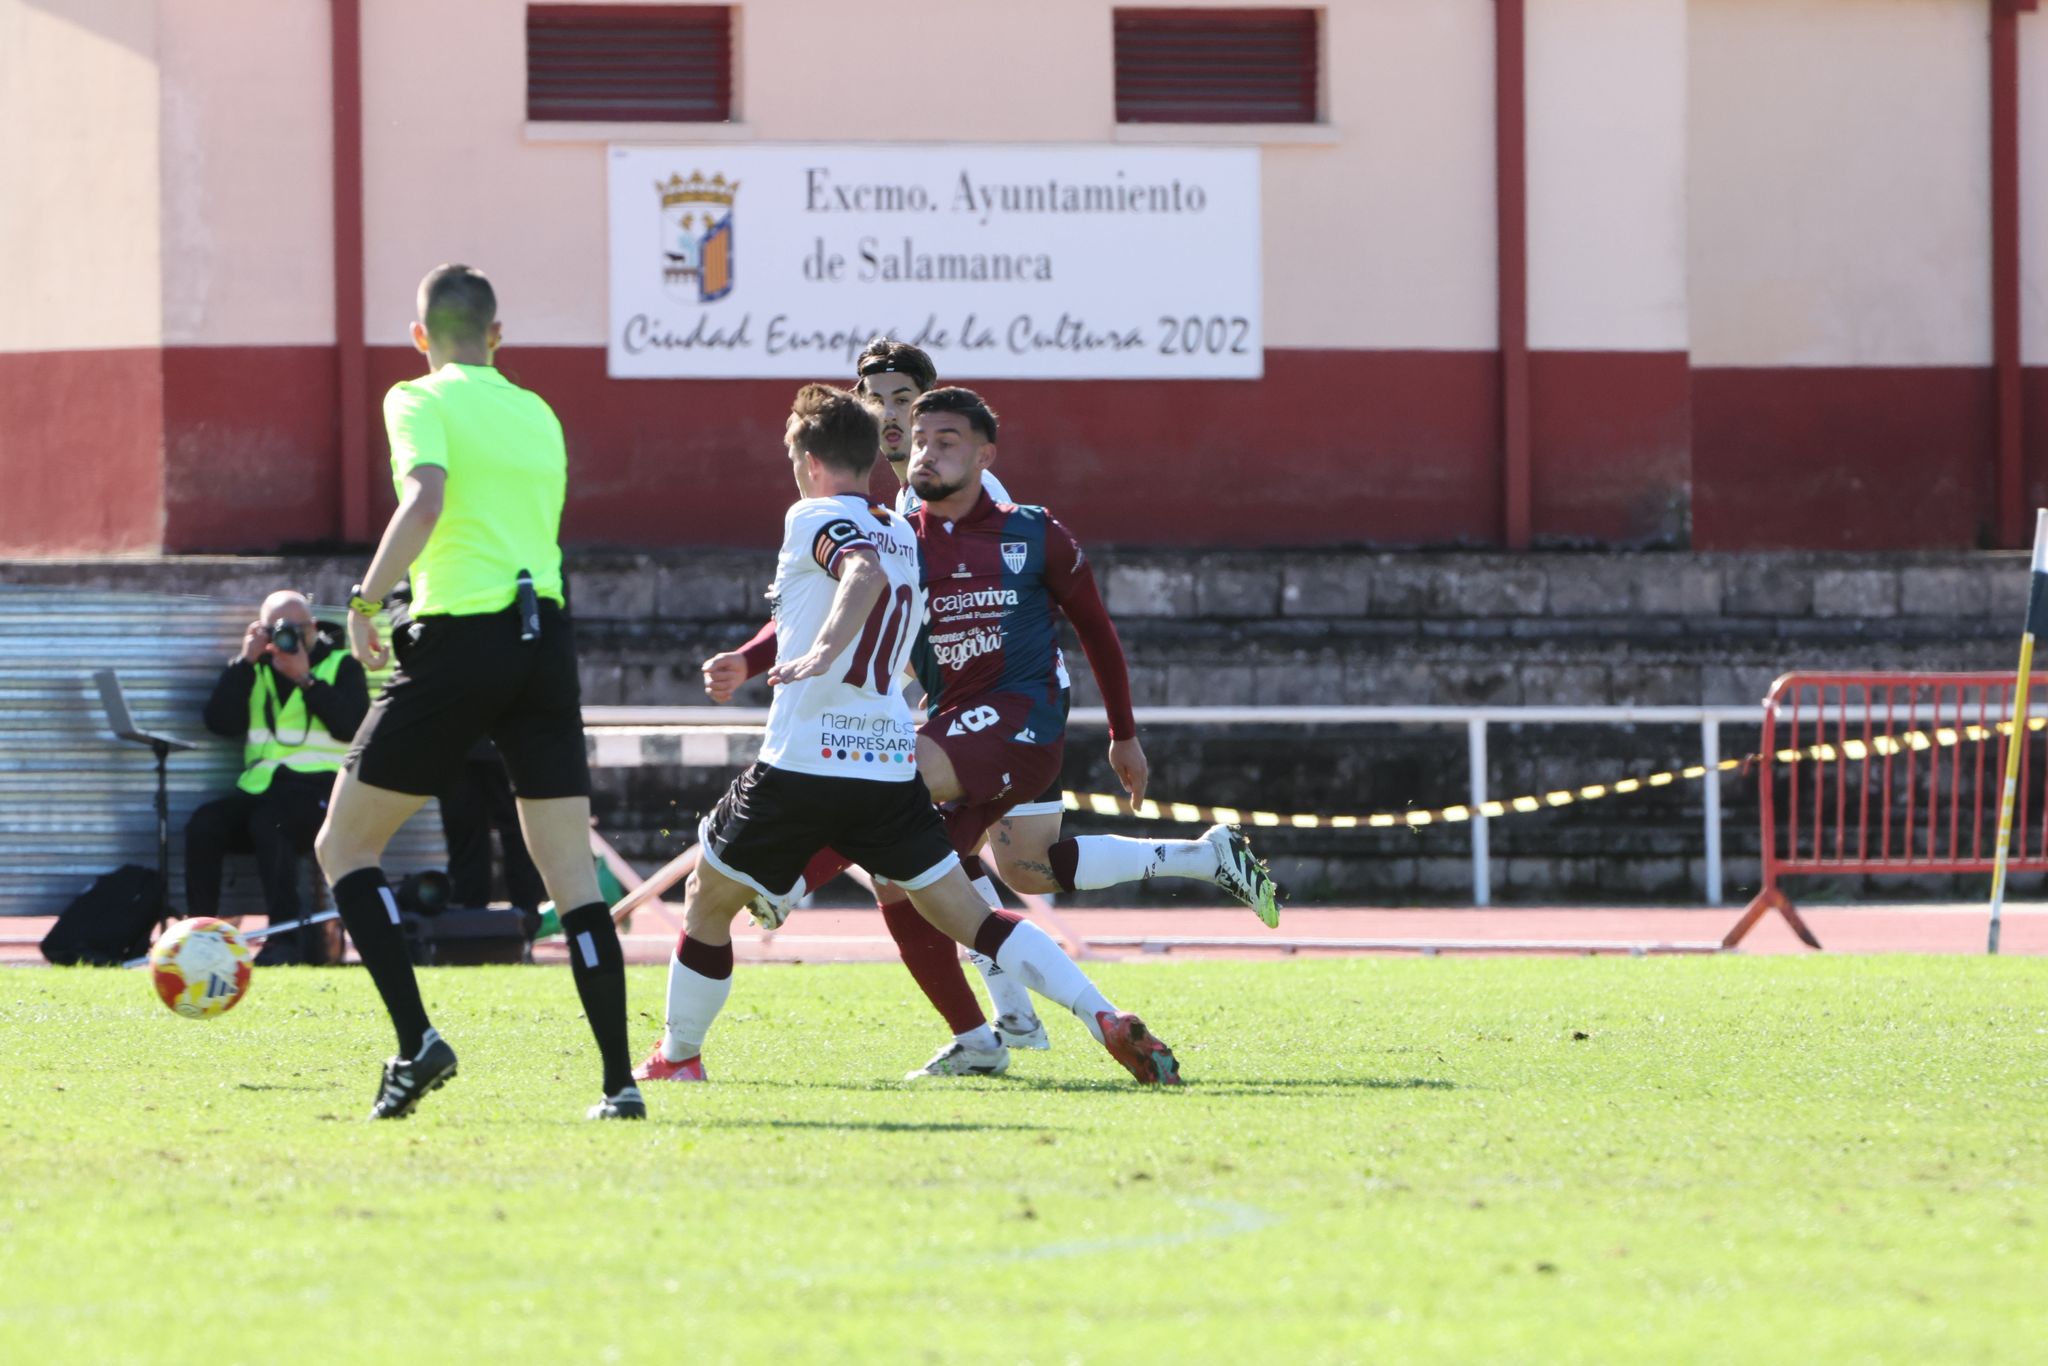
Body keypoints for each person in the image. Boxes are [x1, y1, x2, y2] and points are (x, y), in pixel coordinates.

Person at [704, 350, 1280, 1078]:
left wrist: (1122, 732)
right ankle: (1198, 861)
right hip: (954, 710)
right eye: (879, 404)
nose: (895, 421)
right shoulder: (885, 521)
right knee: (1025, 866)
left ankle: (793, 885)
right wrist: (749, 662)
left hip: (1018, 709)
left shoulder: (1003, 514)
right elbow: (816, 605)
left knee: (890, 787)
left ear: (973, 445)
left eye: (907, 404)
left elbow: (1093, 624)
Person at [634, 384, 1180, 1087]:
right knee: (970, 917)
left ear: (805, 460)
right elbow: (869, 574)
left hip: (803, 761)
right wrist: (754, 656)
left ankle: (679, 1055)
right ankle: (1102, 1015)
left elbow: (855, 572)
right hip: (889, 765)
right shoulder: (904, 532)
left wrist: (825, 650)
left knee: (708, 897)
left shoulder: (813, 515)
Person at [313, 263, 639, 1121]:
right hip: (547, 639)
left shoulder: (417, 398)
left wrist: (362, 600)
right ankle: (619, 1084)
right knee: (572, 876)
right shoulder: (538, 411)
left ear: (421, 337)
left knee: (343, 848)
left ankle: (418, 1043)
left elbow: (424, 501)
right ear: (499, 336)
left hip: (460, 636)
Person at [188, 590, 368, 966]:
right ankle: (198, 937)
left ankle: (284, 939)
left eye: (295, 629)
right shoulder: (255, 669)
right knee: (204, 824)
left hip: (323, 796)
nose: (286, 637)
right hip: (263, 790)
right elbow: (220, 723)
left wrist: (306, 680)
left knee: (273, 823)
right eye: (276, 630)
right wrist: (243, 662)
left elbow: (353, 727)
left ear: (313, 628)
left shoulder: (341, 665)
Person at [439, 739, 546, 917]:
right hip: (499, 742)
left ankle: (469, 918)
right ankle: (524, 918)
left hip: (462, 740)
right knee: (518, 831)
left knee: (470, 834)